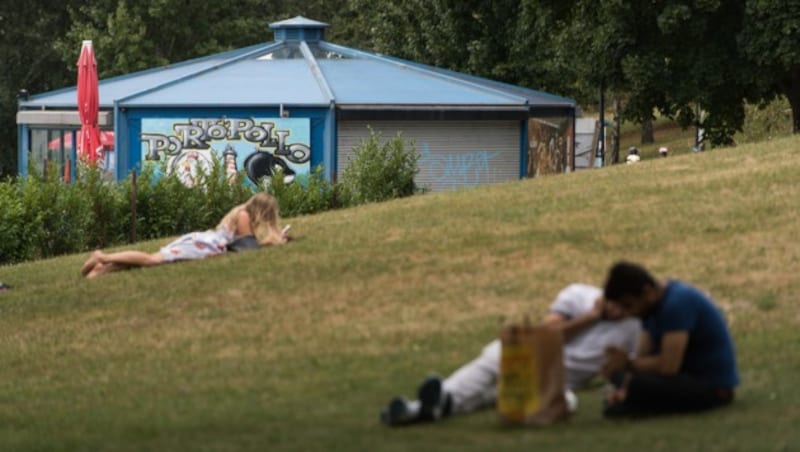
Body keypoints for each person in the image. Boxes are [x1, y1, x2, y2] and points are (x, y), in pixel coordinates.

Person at [380, 283, 641, 426]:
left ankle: (425, 407)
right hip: (527, 355)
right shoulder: (578, 295)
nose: (617, 312)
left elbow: (625, 367)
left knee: (493, 393)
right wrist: (590, 318)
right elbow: (545, 333)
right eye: (613, 304)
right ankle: (433, 403)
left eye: (624, 306)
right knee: (487, 367)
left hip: (555, 382)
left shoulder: (633, 328)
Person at [600, 261, 739, 417]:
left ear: (647, 292)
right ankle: (631, 400)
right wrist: (619, 366)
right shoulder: (648, 310)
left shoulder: (677, 304)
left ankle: (632, 401)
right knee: (623, 378)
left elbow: (669, 366)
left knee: (637, 385)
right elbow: (642, 357)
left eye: (628, 306)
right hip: (681, 378)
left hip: (711, 386)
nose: (628, 313)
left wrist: (628, 365)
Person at [80, 192, 288, 278]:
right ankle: (103, 257)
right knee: (152, 260)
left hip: (202, 242)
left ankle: (100, 271)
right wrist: (274, 243)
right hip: (204, 245)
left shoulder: (241, 212)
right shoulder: (244, 215)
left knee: (150, 260)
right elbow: (247, 245)